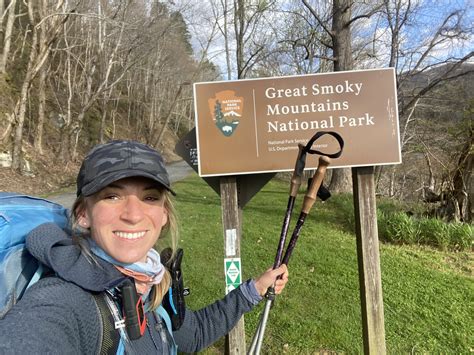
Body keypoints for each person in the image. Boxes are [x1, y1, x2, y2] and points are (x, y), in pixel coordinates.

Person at [0, 140, 288, 354]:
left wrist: (255, 289)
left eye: (150, 197)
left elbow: (192, 335)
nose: (134, 214)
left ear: (164, 214)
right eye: (112, 196)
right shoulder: (64, 301)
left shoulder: (149, 283)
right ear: (83, 214)